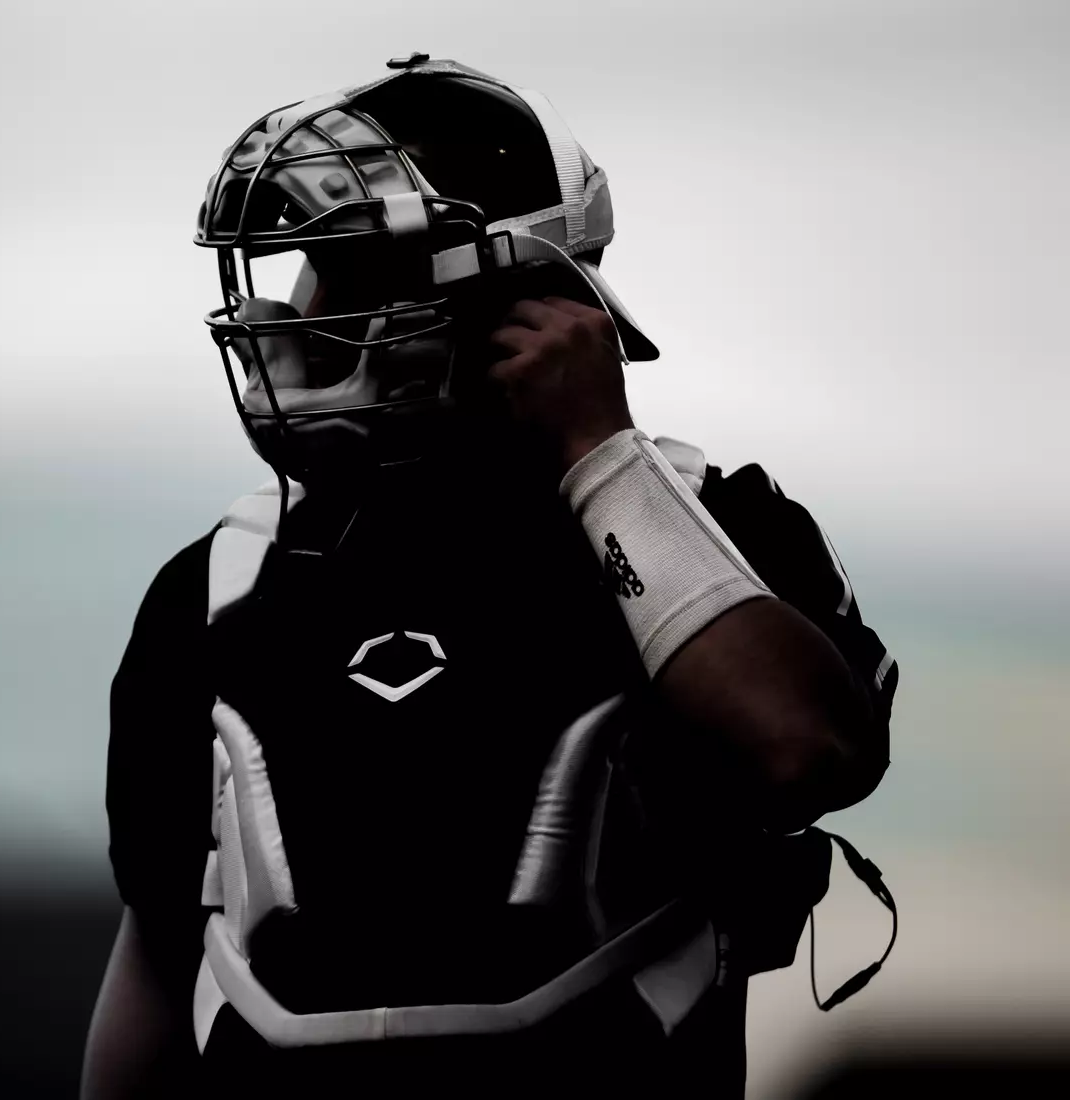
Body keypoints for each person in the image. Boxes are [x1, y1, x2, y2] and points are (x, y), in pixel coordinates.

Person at [82, 55, 898, 1098]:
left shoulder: (708, 522)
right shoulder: (218, 584)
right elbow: (158, 955)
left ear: (506, 297)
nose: (297, 309)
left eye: (342, 266)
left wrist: (603, 452)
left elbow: (805, 748)